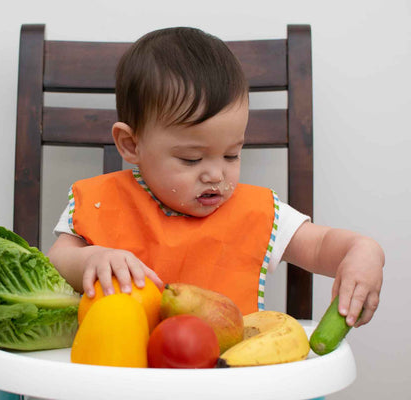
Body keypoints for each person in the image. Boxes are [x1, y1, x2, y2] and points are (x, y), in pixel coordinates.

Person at [47, 27, 384, 327]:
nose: (215, 174)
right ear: (131, 144)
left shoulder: (257, 212)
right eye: (191, 158)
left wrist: (362, 251)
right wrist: (92, 258)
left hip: (227, 378)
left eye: (231, 154)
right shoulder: (100, 201)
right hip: (116, 374)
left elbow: (322, 245)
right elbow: (57, 260)